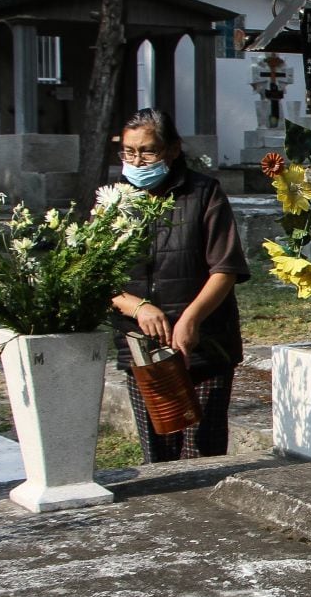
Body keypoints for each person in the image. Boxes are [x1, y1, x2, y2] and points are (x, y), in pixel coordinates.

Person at [107, 108, 250, 461]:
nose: (137, 161)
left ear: (171, 150)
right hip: (143, 348)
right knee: (158, 453)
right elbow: (99, 277)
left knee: (203, 450)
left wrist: (191, 320)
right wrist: (137, 307)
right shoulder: (114, 200)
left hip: (203, 344)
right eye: (129, 152)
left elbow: (225, 268)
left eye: (147, 151)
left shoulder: (203, 194)